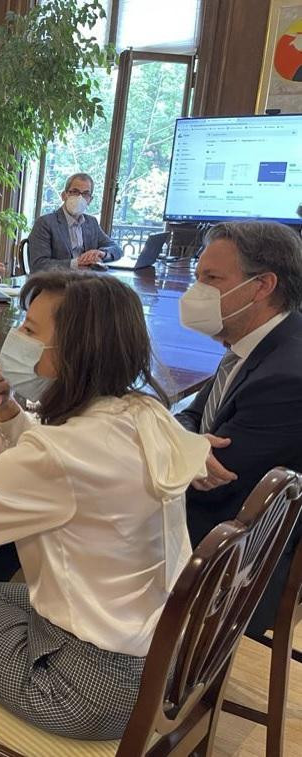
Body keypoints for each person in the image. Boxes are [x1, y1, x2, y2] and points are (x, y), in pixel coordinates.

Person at [0, 271, 208, 754]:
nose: (16, 339)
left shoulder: (62, 455)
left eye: (29, 331)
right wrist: (9, 416)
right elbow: (64, 470)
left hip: (83, 688)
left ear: (72, 352)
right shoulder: (144, 412)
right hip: (156, 653)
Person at [175, 220, 302, 634]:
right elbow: (195, 417)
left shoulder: (286, 374)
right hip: (227, 522)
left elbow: (213, 479)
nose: (197, 292)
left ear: (262, 285)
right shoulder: (258, 339)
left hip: (237, 556)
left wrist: (175, 450)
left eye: (212, 279)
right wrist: (185, 443)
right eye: (198, 277)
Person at [27, 172, 121, 273]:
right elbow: (38, 265)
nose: (80, 197)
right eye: (75, 192)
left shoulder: (91, 222)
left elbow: (116, 249)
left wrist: (102, 253)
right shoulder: (45, 223)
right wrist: (76, 263)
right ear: (64, 195)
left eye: (85, 194)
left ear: (90, 200)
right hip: (55, 282)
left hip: (87, 281)